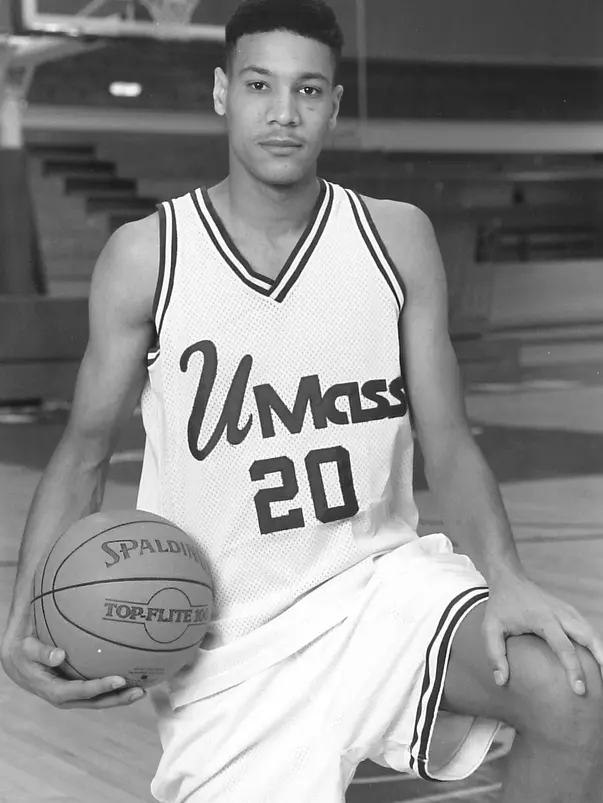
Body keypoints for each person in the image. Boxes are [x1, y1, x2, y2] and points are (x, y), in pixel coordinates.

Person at [2, 1, 603, 800]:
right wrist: (24, 616)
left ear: (334, 104)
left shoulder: (395, 239)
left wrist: (507, 574)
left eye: (307, 90)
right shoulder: (149, 256)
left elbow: (449, 437)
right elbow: (83, 449)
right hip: (230, 650)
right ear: (222, 93)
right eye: (259, 85)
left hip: (380, 588)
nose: (283, 112)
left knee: (567, 687)